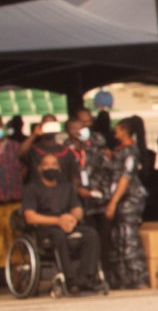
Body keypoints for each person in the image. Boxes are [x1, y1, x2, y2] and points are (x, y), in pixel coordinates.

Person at [21, 149, 104, 294]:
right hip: (46, 228)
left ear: (59, 168)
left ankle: (87, 278)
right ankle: (70, 280)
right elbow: (30, 216)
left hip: (68, 224)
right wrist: (57, 221)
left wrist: (72, 218)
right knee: (59, 237)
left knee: (91, 234)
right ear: (40, 168)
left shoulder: (66, 187)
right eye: (47, 165)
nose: (51, 168)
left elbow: (77, 209)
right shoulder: (32, 188)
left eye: (54, 165)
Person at [100, 117, 149, 289]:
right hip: (119, 199)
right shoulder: (120, 151)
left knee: (129, 239)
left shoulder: (131, 150)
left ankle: (139, 279)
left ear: (125, 131)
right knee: (118, 239)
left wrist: (113, 202)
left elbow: (125, 178)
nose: (115, 132)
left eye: (118, 129)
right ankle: (123, 280)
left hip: (129, 199)